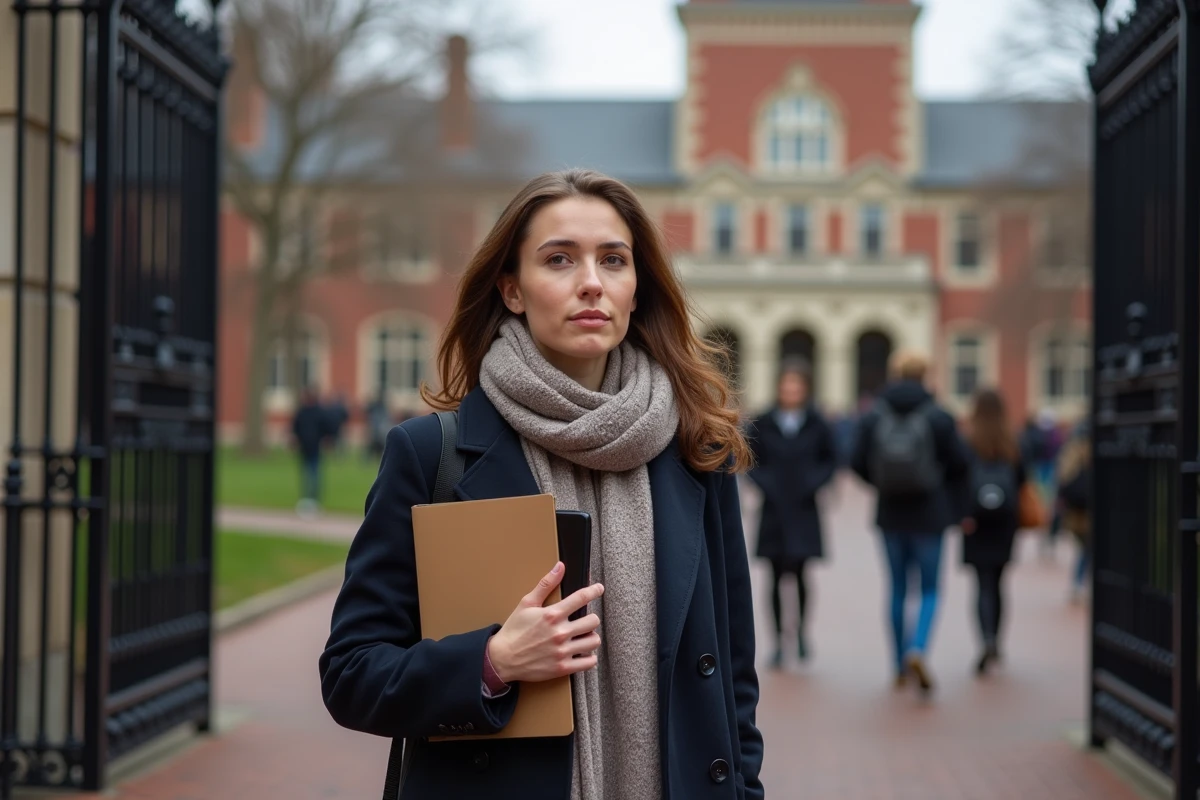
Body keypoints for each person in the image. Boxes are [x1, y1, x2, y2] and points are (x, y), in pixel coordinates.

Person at [319, 169, 764, 800]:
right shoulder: (430, 455)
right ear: (513, 290)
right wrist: (492, 663)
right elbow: (351, 674)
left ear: (637, 290)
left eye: (614, 260)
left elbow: (732, 678)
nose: (591, 282)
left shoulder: (697, 449)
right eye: (559, 259)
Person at [850, 350, 969, 696]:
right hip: (931, 515)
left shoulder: (874, 414)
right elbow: (961, 465)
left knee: (898, 588)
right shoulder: (940, 416)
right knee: (930, 588)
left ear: (895, 373)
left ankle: (898, 664)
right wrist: (952, 502)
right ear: (926, 375)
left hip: (890, 513)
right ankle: (918, 647)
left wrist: (883, 484)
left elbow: (856, 461)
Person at [747, 357, 837, 668]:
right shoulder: (763, 421)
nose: (791, 390)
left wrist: (813, 482)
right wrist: (766, 484)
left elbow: (831, 459)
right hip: (773, 510)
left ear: (805, 389)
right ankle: (776, 642)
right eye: (786, 385)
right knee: (773, 577)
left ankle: (800, 635)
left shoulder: (817, 422)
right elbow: (750, 459)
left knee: (800, 575)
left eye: (796, 385)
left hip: (803, 509)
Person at [959, 389, 1025, 676]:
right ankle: (996, 640)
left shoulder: (967, 443)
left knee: (981, 584)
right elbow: (1023, 479)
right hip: (1004, 522)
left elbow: (958, 481)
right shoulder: (1012, 443)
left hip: (975, 522)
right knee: (999, 583)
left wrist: (963, 515)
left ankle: (984, 639)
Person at [1056, 421, 1092, 602]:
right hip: (1085, 513)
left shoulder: (1068, 453)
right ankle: (1080, 582)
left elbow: (1061, 483)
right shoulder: (1088, 453)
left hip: (1073, 514)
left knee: (1084, 549)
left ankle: (1078, 582)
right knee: (1087, 550)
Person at [292, 387, 328, 518]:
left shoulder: (318, 412)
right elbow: (295, 427)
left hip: (314, 448)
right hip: (305, 448)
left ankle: (314, 500)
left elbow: (326, 428)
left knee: (314, 474)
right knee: (307, 475)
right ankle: (306, 500)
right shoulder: (302, 412)